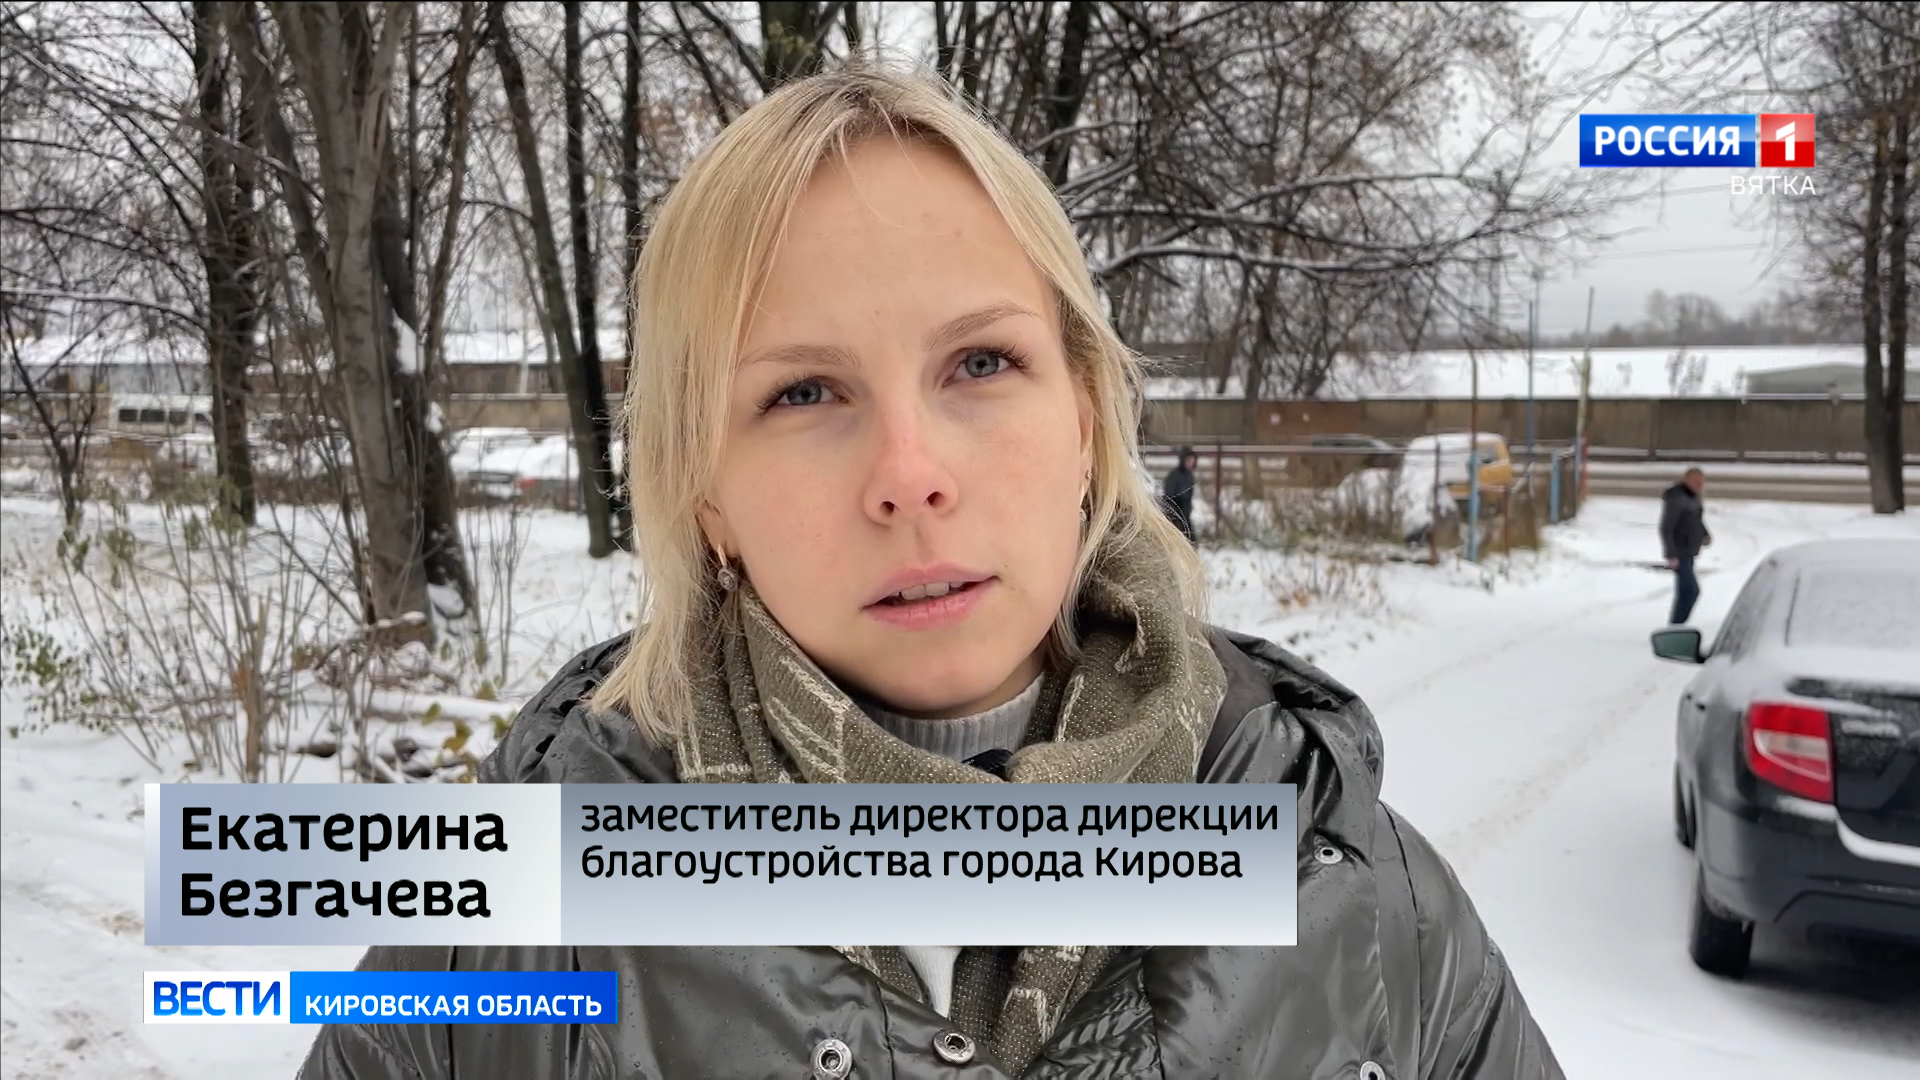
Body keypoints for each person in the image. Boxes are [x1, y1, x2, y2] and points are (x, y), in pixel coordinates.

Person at [300, 68, 1561, 1080]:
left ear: (1085, 418)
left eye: (981, 364)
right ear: (707, 495)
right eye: (804, 392)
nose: (909, 475)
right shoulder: (502, 934)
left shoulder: (1359, 898)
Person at [1660, 467, 1711, 625]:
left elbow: (1695, 520)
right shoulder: (1677, 499)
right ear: (1687, 480)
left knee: (1685, 592)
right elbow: (1666, 528)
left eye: (1701, 482)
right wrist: (1671, 554)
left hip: (1689, 551)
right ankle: (1676, 625)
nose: (1699, 485)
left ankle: (1677, 625)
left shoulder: (1692, 497)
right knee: (1690, 591)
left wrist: (1704, 534)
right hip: (1680, 552)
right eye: (1696, 482)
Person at [1161, 445, 1199, 541]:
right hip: (1174, 514)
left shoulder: (1189, 476)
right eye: (1188, 460)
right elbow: (1169, 496)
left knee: (1190, 539)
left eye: (1192, 460)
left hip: (1185, 514)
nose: (1190, 463)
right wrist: (1176, 516)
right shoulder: (1175, 476)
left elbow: (1189, 496)